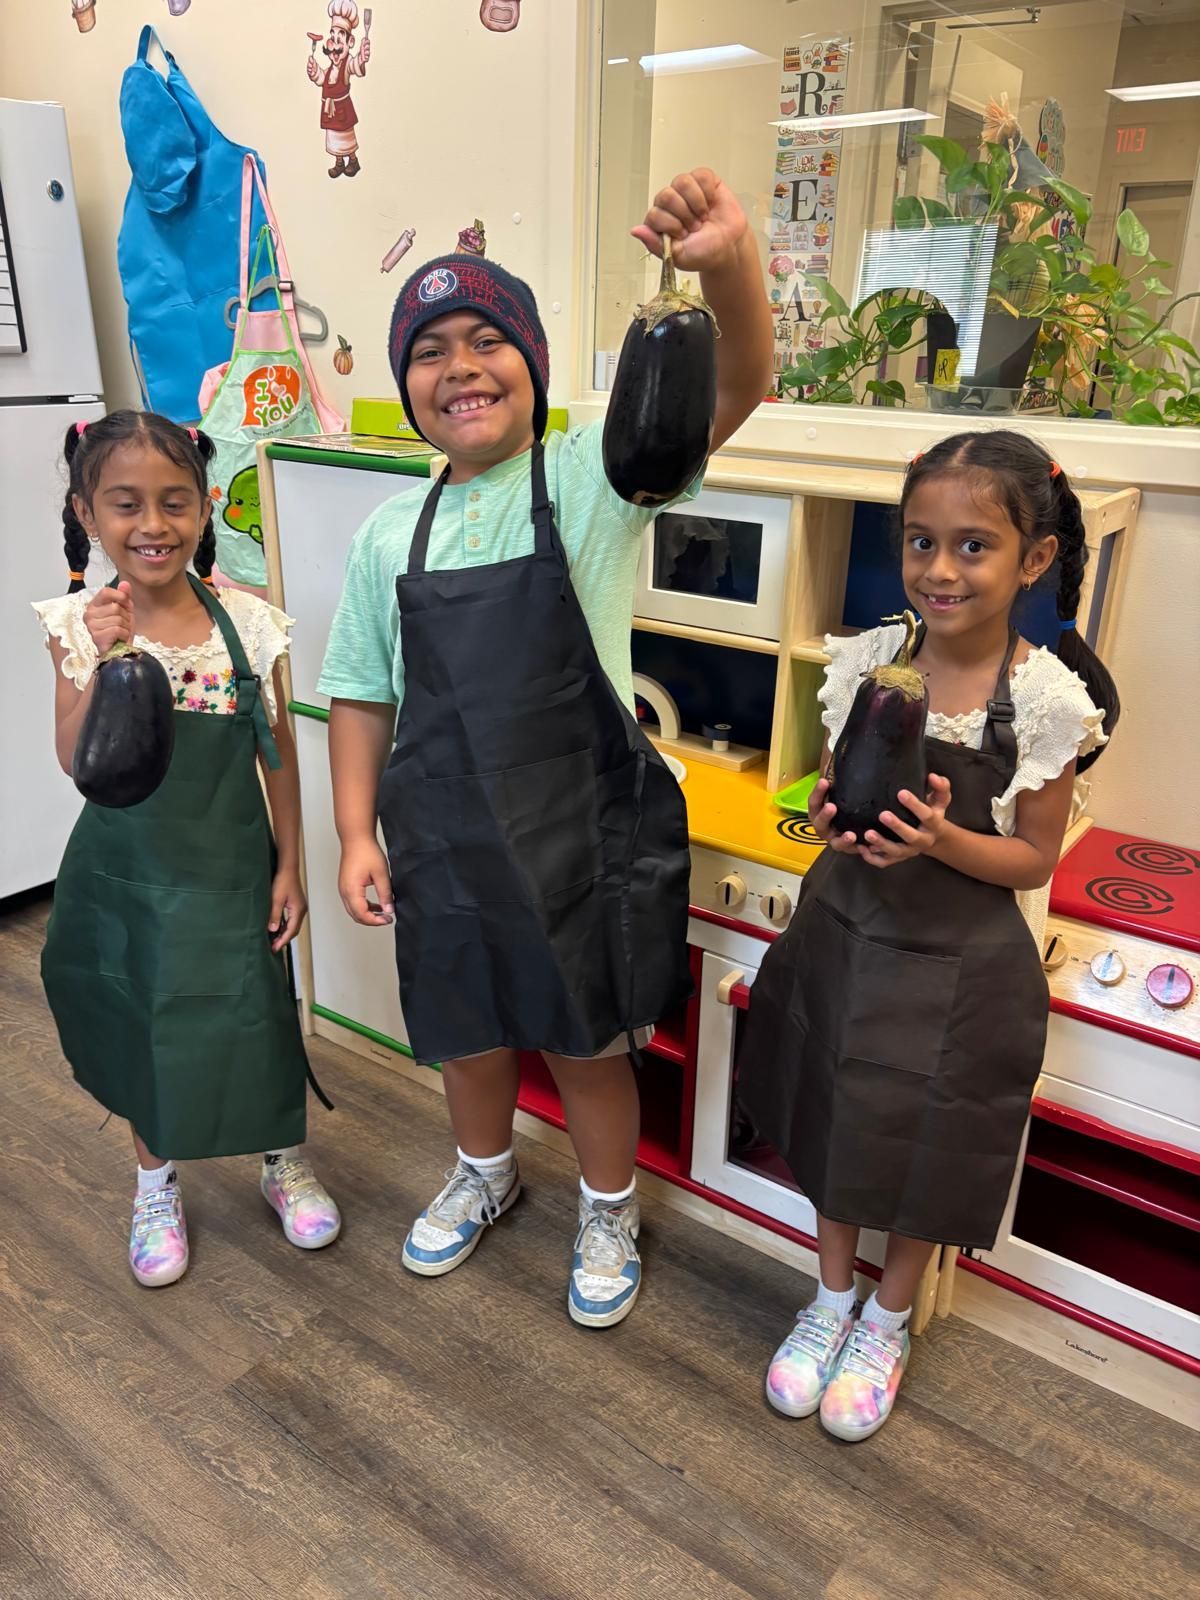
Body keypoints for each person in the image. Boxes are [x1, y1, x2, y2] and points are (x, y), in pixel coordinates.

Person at [319, 167, 772, 1327]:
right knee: (468, 1033)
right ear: (406, 389)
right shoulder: (387, 532)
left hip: (583, 837)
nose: (461, 367)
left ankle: (609, 1205)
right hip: (446, 840)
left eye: (488, 340)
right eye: (430, 352)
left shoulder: (590, 482)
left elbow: (736, 386)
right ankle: (485, 1172)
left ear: (534, 363)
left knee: (586, 1044)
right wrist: (356, 831)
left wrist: (726, 266)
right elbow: (361, 694)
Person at [738, 430, 1116, 1438]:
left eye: (972, 546)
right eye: (920, 542)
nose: (940, 569)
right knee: (830, 1107)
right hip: (846, 934)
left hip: (961, 968)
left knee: (926, 1139)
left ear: (1034, 558)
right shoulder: (869, 660)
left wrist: (941, 836)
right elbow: (835, 787)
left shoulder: (1048, 701)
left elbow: (1032, 858)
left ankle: (887, 1319)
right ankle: (829, 1299)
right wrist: (830, 815)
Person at [34, 411, 340, 1288]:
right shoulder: (75, 625)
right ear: (87, 514)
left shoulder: (249, 623)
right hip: (125, 875)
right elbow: (74, 761)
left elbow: (277, 755)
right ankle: (156, 1184)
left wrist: (290, 865)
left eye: (175, 502)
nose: (153, 525)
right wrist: (104, 656)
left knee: (257, 1014)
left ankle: (282, 1160)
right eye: (126, 503)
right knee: (145, 1021)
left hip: (232, 867)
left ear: (206, 509)